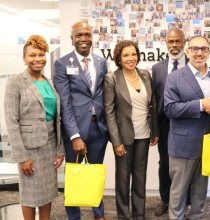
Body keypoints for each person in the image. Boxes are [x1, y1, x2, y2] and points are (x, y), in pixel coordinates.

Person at [164, 35, 210, 220]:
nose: (199, 53)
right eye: (195, 49)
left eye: (204, 49)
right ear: (188, 51)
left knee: (200, 191)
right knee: (178, 192)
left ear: (208, 52)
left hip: (209, 142)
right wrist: (200, 105)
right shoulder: (174, 78)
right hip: (183, 144)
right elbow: (169, 109)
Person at [4, 35, 65, 219]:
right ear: (24, 58)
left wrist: (60, 149)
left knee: (47, 192)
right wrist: (22, 157)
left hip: (49, 145)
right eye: (32, 55)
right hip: (29, 148)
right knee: (30, 195)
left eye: (41, 54)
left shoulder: (49, 82)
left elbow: (57, 118)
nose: (37, 59)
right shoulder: (16, 82)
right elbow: (11, 122)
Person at [53, 21, 109, 220]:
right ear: (72, 38)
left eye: (86, 34)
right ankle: (73, 217)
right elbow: (65, 103)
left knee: (95, 174)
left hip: (99, 129)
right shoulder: (61, 64)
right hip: (74, 130)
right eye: (79, 35)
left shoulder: (101, 62)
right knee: (74, 175)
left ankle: (98, 214)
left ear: (92, 37)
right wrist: (74, 136)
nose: (83, 39)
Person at [103, 40, 159, 220]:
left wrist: (155, 131)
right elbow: (109, 112)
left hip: (144, 134)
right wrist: (116, 141)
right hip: (123, 138)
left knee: (140, 179)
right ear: (119, 57)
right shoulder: (112, 78)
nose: (130, 58)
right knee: (123, 180)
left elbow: (153, 105)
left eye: (133, 54)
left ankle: (139, 215)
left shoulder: (145, 75)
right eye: (126, 55)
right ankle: (124, 216)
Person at [151, 28, 191, 217]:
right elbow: (154, 101)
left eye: (178, 41)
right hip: (165, 125)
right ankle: (165, 199)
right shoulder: (158, 68)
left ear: (184, 42)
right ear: (166, 43)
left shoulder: (193, 65)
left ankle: (187, 200)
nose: (174, 45)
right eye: (171, 42)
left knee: (189, 163)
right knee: (165, 164)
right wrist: (155, 129)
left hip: (189, 122)